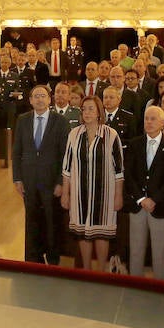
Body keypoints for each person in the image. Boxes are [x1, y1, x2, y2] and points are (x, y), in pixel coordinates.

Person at [60, 95, 124, 272]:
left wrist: (118, 195)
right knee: (83, 233)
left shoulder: (111, 135)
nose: (86, 112)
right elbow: (67, 168)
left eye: (90, 108)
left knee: (101, 232)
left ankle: (101, 270)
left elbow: (119, 170)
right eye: (84, 109)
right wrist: (65, 193)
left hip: (104, 193)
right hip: (79, 193)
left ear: (98, 112)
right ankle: (87, 270)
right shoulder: (74, 134)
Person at [12, 85, 70, 264]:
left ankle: (52, 259)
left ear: (49, 99)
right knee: (32, 221)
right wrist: (17, 178)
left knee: (51, 222)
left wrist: (61, 182)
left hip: (51, 181)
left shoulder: (60, 121)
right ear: (30, 100)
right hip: (29, 181)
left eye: (43, 96)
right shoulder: (23, 120)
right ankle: (32, 259)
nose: (39, 99)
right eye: (35, 96)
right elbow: (17, 152)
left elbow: (65, 155)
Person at [124, 106, 164, 281]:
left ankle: (162, 284)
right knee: (136, 248)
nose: (148, 122)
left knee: (161, 250)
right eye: (146, 118)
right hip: (138, 205)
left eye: (153, 119)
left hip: (160, 206)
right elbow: (129, 174)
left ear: (163, 123)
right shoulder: (134, 144)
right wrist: (141, 199)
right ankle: (135, 282)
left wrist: (154, 199)